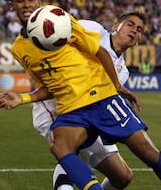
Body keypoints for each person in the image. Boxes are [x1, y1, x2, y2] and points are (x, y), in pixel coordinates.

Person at [0, 0, 161, 190]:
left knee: (130, 168)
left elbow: (98, 51)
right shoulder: (23, 47)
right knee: (62, 148)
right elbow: (49, 84)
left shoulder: (65, 22)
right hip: (65, 108)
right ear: (12, 6)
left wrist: (117, 86)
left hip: (100, 98)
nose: (27, 5)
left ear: (39, 1)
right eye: (21, 0)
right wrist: (23, 98)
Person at [28, 13, 143, 190]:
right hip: (56, 106)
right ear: (115, 27)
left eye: (139, 30)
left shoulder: (123, 72)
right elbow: (57, 36)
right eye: (130, 24)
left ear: (138, 40)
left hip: (87, 114)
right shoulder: (93, 29)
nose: (134, 30)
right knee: (71, 151)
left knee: (123, 177)